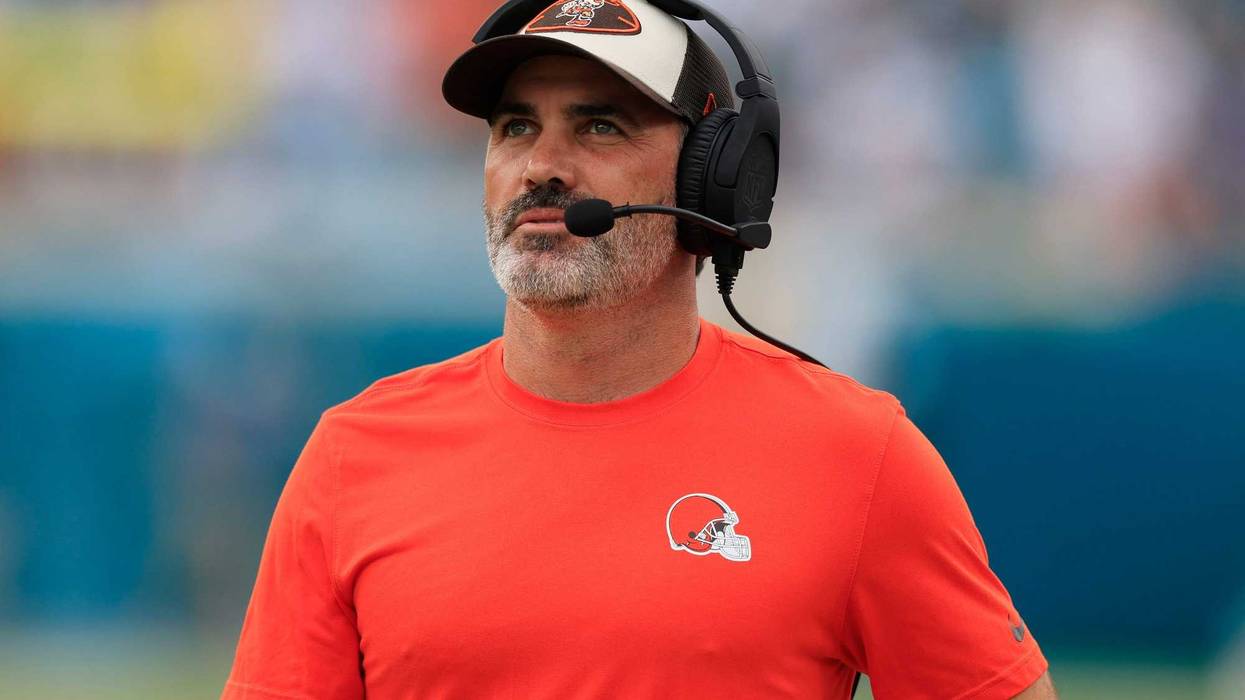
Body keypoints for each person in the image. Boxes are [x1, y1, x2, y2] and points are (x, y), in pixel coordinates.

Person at [221, 1, 1057, 698]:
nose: (541, 167)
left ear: (713, 182)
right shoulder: (354, 456)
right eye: (516, 127)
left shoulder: (857, 456)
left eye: (599, 127)